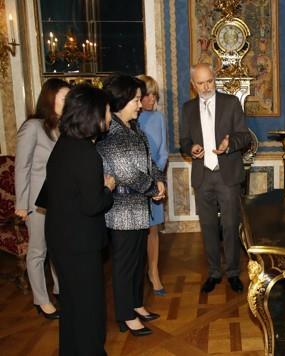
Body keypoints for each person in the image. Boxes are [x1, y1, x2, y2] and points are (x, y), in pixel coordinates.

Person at [36, 84, 115, 356]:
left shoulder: (64, 143)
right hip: (79, 244)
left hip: (60, 238)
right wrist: (108, 189)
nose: (109, 116)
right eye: (106, 111)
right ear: (93, 115)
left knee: (71, 304)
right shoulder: (85, 153)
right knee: (90, 309)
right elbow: (93, 205)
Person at [97, 75, 165, 336]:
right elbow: (126, 173)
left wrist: (158, 182)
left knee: (137, 261)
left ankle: (136, 304)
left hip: (139, 208)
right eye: (136, 99)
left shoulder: (135, 128)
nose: (141, 104)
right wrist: (152, 189)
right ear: (122, 100)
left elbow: (150, 163)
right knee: (124, 264)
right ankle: (125, 315)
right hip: (121, 211)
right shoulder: (110, 133)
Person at [180, 63, 251, 294]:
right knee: (208, 226)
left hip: (227, 174)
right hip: (202, 176)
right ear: (193, 85)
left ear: (215, 78)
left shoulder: (230, 103)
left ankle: (232, 272)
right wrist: (191, 149)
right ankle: (213, 272)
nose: (206, 86)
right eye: (200, 83)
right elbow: (184, 142)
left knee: (230, 225)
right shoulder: (188, 108)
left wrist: (230, 144)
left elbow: (244, 137)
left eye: (209, 81)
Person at [15, 78, 70, 319]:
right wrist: (21, 205)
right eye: (64, 98)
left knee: (58, 248)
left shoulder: (64, 127)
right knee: (38, 251)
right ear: (51, 98)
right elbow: (21, 167)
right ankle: (41, 299)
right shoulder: (33, 127)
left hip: (60, 202)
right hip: (36, 204)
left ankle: (60, 290)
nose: (68, 102)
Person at [136, 75, 168, 296]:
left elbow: (164, 150)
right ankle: (136, 272)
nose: (150, 100)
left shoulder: (159, 118)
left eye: (154, 95)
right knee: (137, 231)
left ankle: (153, 272)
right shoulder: (128, 118)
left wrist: (155, 178)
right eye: (146, 95)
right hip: (133, 183)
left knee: (153, 229)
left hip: (154, 180)